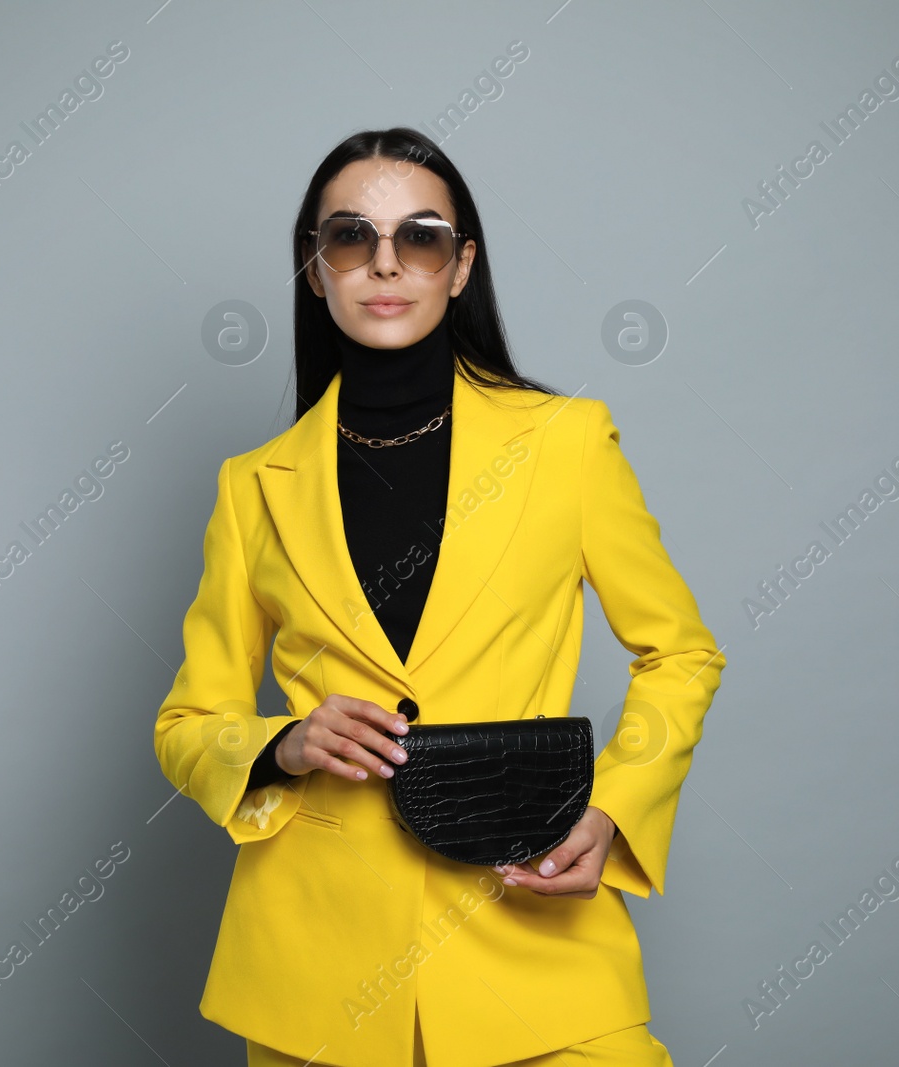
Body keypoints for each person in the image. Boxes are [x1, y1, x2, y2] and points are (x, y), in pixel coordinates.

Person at [153, 127, 725, 1067]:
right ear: (314, 268)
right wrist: (280, 742)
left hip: (528, 919)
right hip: (315, 979)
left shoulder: (566, 443)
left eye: (419, 237)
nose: (386, 263)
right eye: (350, 237)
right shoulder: (251, 485)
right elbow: (188, 719)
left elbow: (682, 654)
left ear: (460, 266)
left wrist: (614, 810)